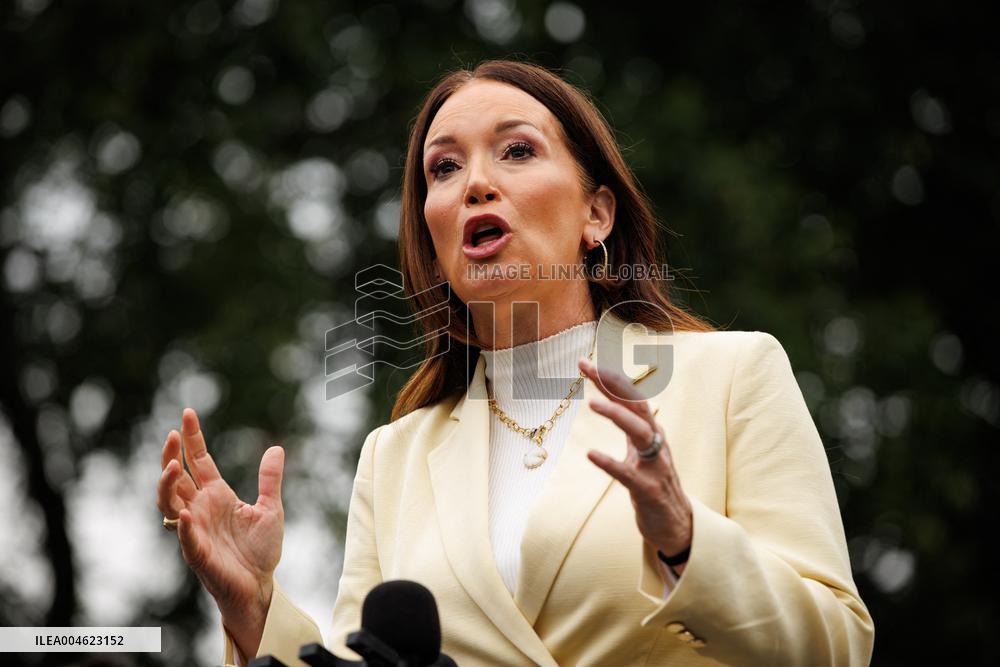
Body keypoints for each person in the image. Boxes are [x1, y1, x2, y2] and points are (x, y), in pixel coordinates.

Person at [156, 59, 874, 666]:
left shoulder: (730, 376)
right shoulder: (395, 456)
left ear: (598, 214)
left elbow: (839, 643)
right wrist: (255, 609)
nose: (474, 183)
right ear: (431, 230)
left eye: (517, 151)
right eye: (443, 167)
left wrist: (687, 542)